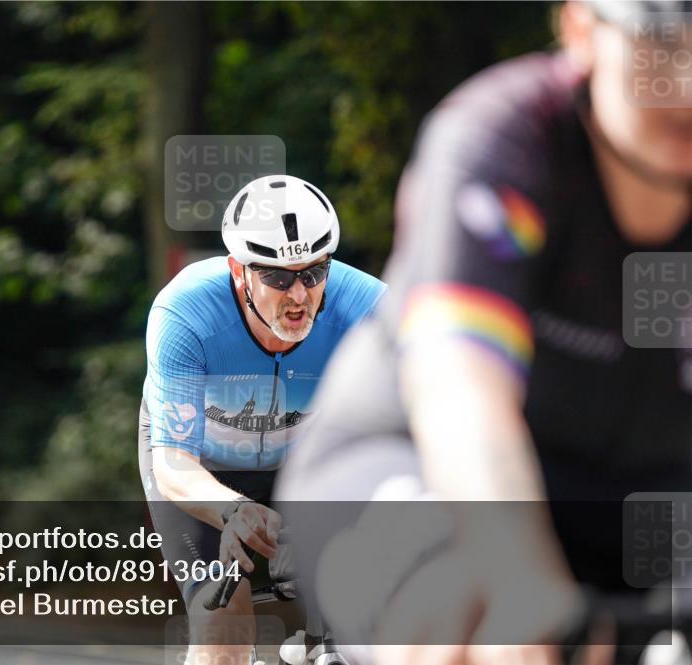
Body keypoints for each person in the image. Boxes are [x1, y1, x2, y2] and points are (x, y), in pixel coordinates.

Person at [276, 2, 691, 664]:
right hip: (411, 454)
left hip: (642, 494)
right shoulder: (500, 135)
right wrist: (516, 576)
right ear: (582, 31)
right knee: (460, 611)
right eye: (663, 48)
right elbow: (458, 389)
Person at [139, 174, 386, 665]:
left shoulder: (370, 307)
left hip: (310, 464)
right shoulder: (186, 313)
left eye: (314, 272)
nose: (299, 294)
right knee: (222, 628)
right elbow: (173, 464)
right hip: (204, 471)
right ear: (239, 270)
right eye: (277, 277)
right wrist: (232, 512)